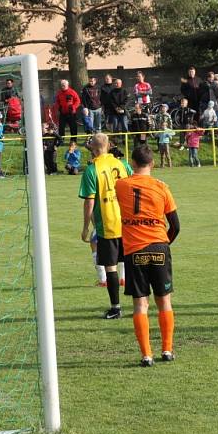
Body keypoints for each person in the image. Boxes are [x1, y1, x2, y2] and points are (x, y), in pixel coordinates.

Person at [114, 145, 180, 367]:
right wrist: (162, 243)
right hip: (159, 247)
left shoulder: (121, 185)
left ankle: (146, 355)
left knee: (140, 305)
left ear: (132, 163)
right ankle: (167, 350)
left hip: (135, 251)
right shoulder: (162, 187)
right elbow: (176, 225)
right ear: (152, 164)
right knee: (164, 301)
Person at [79, 133, 133, 319]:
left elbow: (89, 202)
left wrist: (86, 227)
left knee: (111, 267)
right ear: (109, 145)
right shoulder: (123, 164)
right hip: (128, 223)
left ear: (93, 148)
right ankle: (140, 305)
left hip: (107, 225)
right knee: (132, 263)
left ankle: (116, 308)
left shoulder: (92, 169)